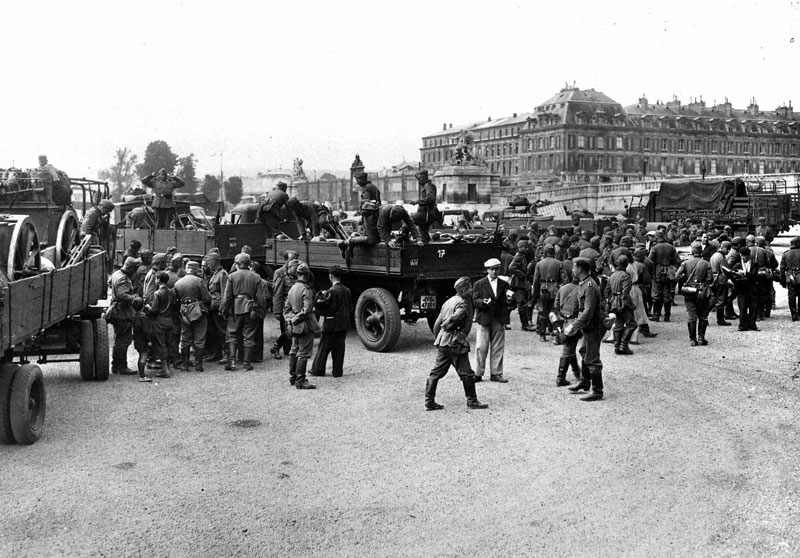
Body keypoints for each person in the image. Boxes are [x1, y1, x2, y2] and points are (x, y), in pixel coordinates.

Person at [425, 276, 488, 410]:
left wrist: (439, 338)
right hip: (456, 343)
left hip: (444, 342)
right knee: (467, 374)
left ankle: (429, 401)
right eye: (469, 288)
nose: (471, 290)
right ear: (464, 290)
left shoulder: (448, 302)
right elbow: (456, 317)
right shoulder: (463, 303)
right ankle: (472, 401)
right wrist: (450, 326)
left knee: (436, 373)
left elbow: (437, 323)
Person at [565, 257, 605, 401]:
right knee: (584, 351)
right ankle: (584, 382)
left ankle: (597, 391)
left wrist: (574, 325)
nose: (572, 270)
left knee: (592, 358)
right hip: (588, 325)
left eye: (574, 267)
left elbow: (588, 311)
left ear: (579, 269)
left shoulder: (589, 286)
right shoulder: (584, 283)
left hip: (593, 326)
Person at [220, 253, 266, 371]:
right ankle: (247, 364)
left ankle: (232, 363)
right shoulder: (256, 277)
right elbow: (261, 297)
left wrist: (224, 310)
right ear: (249, 263)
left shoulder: (232, 276)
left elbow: (227, 296)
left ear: (237, 264)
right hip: (251, 308)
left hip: (235, 309)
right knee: (249, 336)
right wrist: (262, 310)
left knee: (232, 335)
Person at [472, 258, 511, 383]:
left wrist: (510, 301)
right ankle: (478, 373)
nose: (494, 272)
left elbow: (508, 301)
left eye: (497, 269)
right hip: (484, 318)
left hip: (498, 318)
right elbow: (474, 300)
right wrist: (482, 302)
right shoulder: (479, 284)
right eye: (492, 269)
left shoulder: (504, 284)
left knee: (498, 347)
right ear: (487, 270)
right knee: (481, 347)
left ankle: (496, 373)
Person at [310, 265, 352, 377]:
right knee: (339, 349)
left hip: (331, 324)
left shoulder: (331, 291)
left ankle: (318, 369)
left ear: (330, 276)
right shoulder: (347, 290)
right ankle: (337, 372)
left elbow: (329, 309)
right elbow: (350, 307)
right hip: (343, 324)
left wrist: (318, 308)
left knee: (323, 348)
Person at [283, 262, 318, 389]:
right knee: (303, 353)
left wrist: (290, 320)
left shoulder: (292, 288)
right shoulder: (306, 289)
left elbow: (286, 309)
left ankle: (293, 377)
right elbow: (307, 309)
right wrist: (297, 319)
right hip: (304, 325)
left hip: (294, 325)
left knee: (294, 350)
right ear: (307, 274)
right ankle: (300, 381)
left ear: (297, 274)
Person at [174, 261, 212, 371]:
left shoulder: (178, 283)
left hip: (184, 311)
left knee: (185, 338)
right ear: (195, 270)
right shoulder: (199, 281)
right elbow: (207, 298)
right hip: (198, 310)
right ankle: (198, 365)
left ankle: (185, 364)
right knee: (199, 338)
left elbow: (176, 299)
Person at [107, 257, 142, 375]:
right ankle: (122, 367)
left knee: (118, 340)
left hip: (118, 310)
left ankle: (115, 366)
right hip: (122, 312)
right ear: (130, 268)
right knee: (124, 340)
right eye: (134, 269)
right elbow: (122, 295)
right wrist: (134, 298)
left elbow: (109, 283)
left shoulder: (116, 274)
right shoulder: (123, 278)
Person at [676, 243, 714, 346]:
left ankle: (692, 339)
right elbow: (710, 280)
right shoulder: (706, 264)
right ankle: (701, 338)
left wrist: (686, 278)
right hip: (702, 291)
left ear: (692, 251)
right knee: (703, 315)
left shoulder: (685, 263)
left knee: (691, 316)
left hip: (689, 291)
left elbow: (677, 276)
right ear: (701, 251)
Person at [531, 243, 569, 341]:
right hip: (555, 290)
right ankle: (555, 334)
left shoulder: (539, 264)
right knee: (555, 312)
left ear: (545, 252)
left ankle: (542, 335)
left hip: (543, 289)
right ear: (553, 252)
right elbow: (565, 280)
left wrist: (534, 296)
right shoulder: (559, 263)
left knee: (542, 312)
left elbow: (535, 281)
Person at [144, 271, 177, 378]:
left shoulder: (157, 293)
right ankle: (168, 367)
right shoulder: (172, 292)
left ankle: (165, 370)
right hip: (170, 320)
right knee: (169, 343)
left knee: (161, 345)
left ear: (158, 280)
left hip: (160, 321)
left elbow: (154, 310)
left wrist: (147, 307)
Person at [340, 171, 382, 257]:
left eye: (358, 179)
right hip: (374, 215)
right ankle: (351, 243)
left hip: (370, 215)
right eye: (356, 179)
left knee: (372, 240)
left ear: (364, 179)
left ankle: (351, 242)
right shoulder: (373, 187)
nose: (357, 182)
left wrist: (363, 215)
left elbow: (366, 205)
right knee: (374, 239)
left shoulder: (366, 189)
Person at [270, 251, 300, 359]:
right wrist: (277, 311)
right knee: (287, 329)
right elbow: (277, 293)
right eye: (291, 260)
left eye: (295, 259)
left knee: (293, 328)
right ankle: (279, 347)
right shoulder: (280, 273)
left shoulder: (298, 272)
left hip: (296, 305)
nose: (293, 262)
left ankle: (287, 349)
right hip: (285, 307)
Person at [605, 255, 637, 355]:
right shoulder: (625, 276)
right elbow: (625, 292)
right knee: (631, 324)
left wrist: (609, 301)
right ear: (626, 264)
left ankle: (617, 346)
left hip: (613, 301)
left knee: (619, 323)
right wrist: (625, 304)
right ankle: (623, 345)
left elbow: (607, 290)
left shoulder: (612, 275)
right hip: (622, 302)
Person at [553, 274, 581, 386]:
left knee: (570, 347)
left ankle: (577, 372)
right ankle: (560, 377)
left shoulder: (562, 288)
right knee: (568, 349)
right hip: (574, 322)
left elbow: (556, 305)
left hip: (563, 321)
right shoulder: (581, 290)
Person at [648, 230, 681, 321]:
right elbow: (678, 261)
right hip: (669, 272)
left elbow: (649, 261)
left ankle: (656, 315)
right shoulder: (671, 247)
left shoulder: (654, 248)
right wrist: (673, 268)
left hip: (657, 272)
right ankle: (667, 316)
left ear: (656, 238)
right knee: (667, 294)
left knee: (657, 294)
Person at [204, 252, 229, 363]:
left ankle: (227, 354)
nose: (208, 264)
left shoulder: (223, 274)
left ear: (214, 261)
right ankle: (217, 353)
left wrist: (223, 309)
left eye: (209, 262)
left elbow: (225, 293)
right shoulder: (215, 274)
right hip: (212, 307)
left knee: (222, 332)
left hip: (218, 308)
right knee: (214, 332)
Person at [731, 247, 760, 331]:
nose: (743, 258)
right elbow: (731, 272)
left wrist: (744, 273)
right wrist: (732, 277)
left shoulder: (754, 264)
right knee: (742, 307)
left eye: (744, 256)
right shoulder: (738, 264)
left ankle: (752, 324)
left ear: (749, 256)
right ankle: (742, 325)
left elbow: (754, 275)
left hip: (752, 288)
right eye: (741, 256)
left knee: (753, 307)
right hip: (741, 289)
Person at [413, 170, 437, 244]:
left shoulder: (428, 186)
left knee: (409, 220)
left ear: (424, 178)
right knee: (423, 231)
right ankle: (425, 245)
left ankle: (403, 237)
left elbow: (430, 198)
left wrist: (417, 201)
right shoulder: (426, 186)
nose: (418, 182)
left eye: (420, 179)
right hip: (427, 213)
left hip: (426, 213)